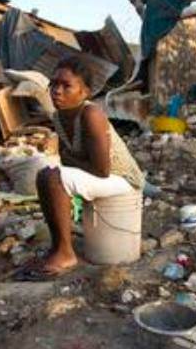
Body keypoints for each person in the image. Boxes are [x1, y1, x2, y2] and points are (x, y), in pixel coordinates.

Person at [27, 56, 144, 278]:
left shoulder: (91, 115)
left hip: (123, 180)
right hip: (103, 175)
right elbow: (65, 158)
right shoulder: (60, 117)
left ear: (85, 92)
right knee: (46, 176)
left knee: (52, 177)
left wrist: (74, 161)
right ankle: (58, 247)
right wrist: (75, 161)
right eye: (54, 84)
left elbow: (101, 169)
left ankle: (66, 253)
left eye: (66, 86)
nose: (57, 91)